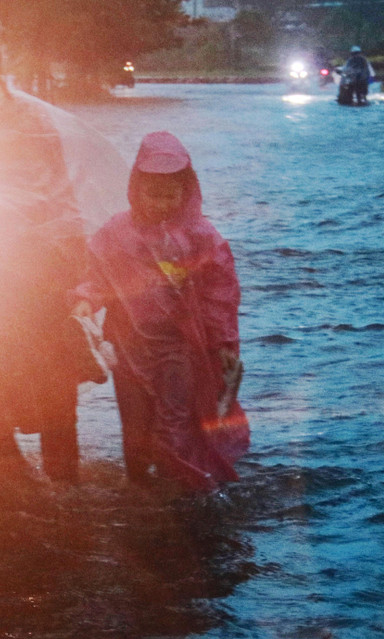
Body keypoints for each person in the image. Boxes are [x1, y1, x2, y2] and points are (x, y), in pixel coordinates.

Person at [0, 2, 124, 487]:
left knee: (54, 383)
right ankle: (6, 484)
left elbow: (56, 197)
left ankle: (63, 484)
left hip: (31, 269)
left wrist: (58, 256)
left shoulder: (32, 120)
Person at [71, 132, 250, 494]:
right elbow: (98, 276)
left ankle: (180, 485)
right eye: (154, 194)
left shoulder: (201, 237)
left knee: (175, 421)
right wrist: (86, 301)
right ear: (136, 189)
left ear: (187, 191)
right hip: (127, 346)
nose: (162, 204)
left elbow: (220, 297)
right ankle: (139, 487)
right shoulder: (117, 233)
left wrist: (225, 344)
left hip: (179, 348)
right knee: (134, 425)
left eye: (172, 194)